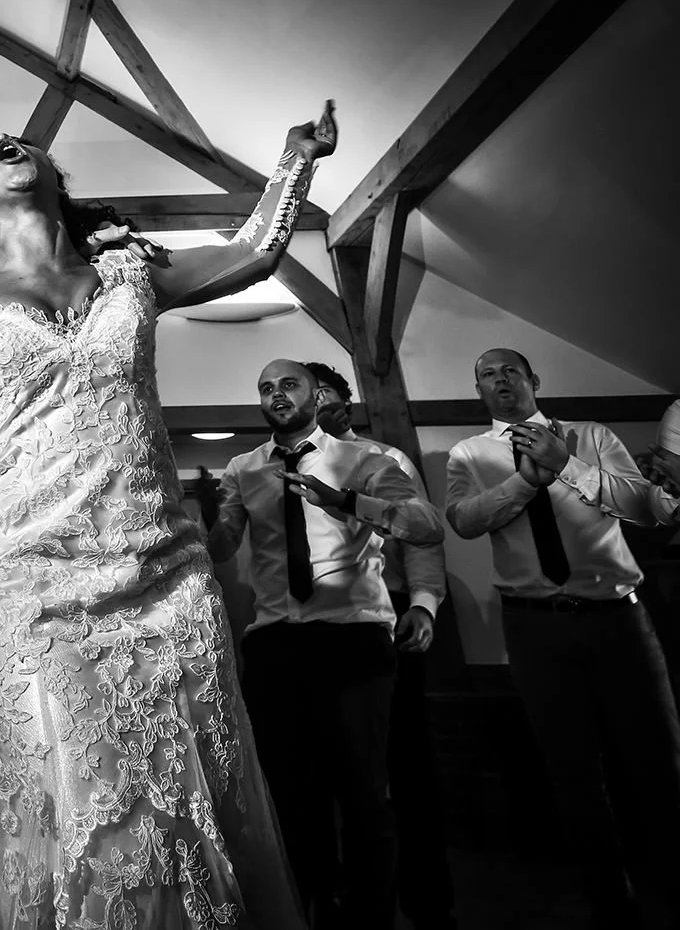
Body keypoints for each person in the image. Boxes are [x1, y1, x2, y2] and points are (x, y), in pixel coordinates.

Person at [0, 111, 339, 928]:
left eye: (16, 142)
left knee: (184, 805)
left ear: (56, 178)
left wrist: (295, 160)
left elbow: (256, 249)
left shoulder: (130, 273)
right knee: (80, 804)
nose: (3, 146)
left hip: (166, 579)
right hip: (28, 587)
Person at [201, 360, 445, 930]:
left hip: (352, 638)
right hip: (274, 644)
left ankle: (373, 917)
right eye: (266, 388)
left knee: (363, 790)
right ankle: (309, 909)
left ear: (318, 395)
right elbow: (220, 548)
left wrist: (347, 503)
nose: (276, 394)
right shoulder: (245, 467)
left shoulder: (366, 460)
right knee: (289, 793)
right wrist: (203, 515)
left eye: (288, 384)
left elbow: (426, 525)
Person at [445, 347, 680, 924]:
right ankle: (610, 904)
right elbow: (465, 521)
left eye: (511, 371)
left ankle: (676, 885)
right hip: (534, 626)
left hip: (618, 617)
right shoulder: (469, 453)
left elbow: (648, 510)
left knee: (658, 756)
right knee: (571, 768)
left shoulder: (591, 435)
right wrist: (527, 481)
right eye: (488, 376)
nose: (500, 381)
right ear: (479, 391)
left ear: (533, 380)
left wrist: (566, 463)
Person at [302, 361, 455, 930]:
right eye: (306, 393)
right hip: (314, 630)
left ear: (345, 401)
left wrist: (423, 603)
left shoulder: (381, 458)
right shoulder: (281, 467)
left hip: (385, 615)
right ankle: (340, 898)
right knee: (330, 769)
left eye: (327, 393)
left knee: (405, 765)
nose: (317, 403)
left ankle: (428, 903)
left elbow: (420, 535)